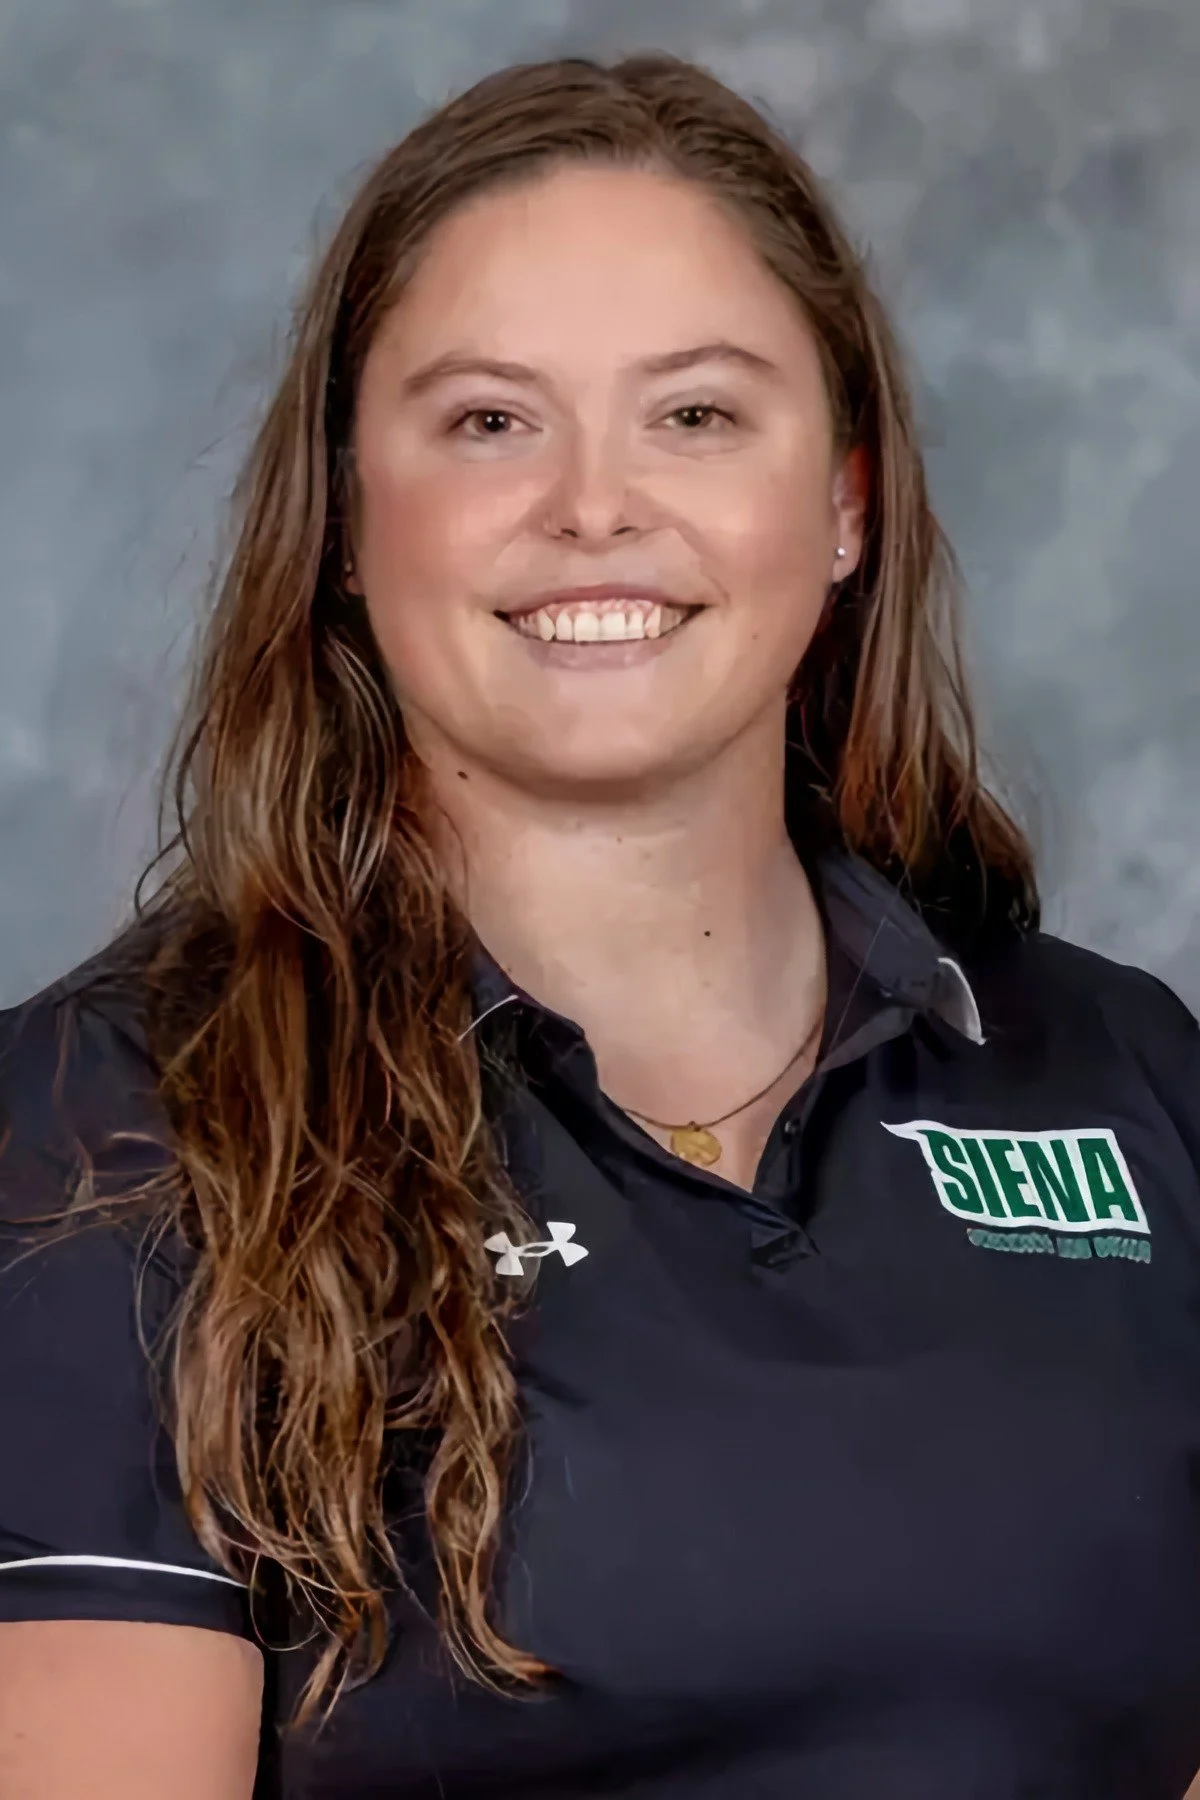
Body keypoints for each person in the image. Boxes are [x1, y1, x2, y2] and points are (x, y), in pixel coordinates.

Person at [0, 49, 1197, 1800]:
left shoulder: (1130, 1078)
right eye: (491, 421)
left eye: (695, 415)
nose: (594, 506)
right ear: (348, 517)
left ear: (844, 504)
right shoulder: (102, 1130)